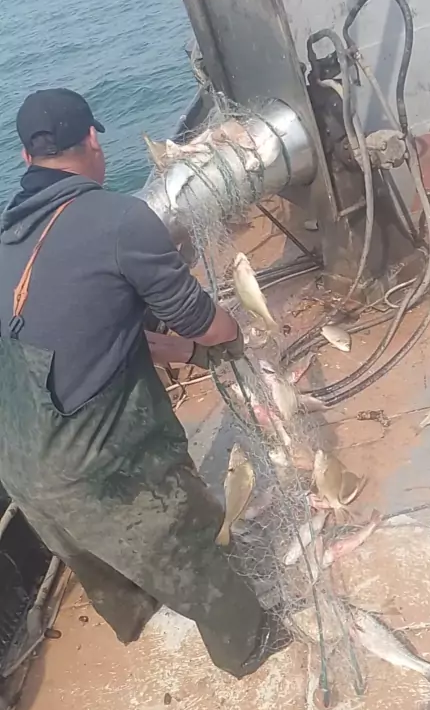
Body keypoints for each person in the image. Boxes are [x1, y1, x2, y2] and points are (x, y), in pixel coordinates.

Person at [0, 88, 290, 678]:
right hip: (100, 470)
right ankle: (250, 645)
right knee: (192, 545)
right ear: (93, 141)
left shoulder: (8, 238)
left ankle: (138, 613)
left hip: (22, 474)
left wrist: (181, 351)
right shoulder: (120, 219)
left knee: (97, 555)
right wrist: (231, 333)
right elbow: (202, 323)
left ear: (27, 158)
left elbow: (87, 338)